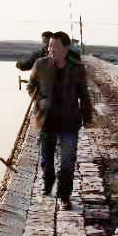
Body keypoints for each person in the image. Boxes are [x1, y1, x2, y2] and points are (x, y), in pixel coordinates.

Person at [27, 31, 93, 209]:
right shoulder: (41, 65)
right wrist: (40, 99)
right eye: (50, 46)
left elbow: (84, 95)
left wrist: (88, 118)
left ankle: (64, 196)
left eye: (55, 46)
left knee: (67, 161)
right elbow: (31, 86)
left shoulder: (77, 68)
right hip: (46, 120)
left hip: (69, 121)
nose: (51, 49)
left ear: (65, 48)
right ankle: (48, 180)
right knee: (46, 159)